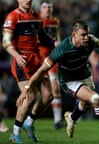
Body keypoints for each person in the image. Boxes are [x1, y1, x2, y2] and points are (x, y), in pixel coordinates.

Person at [19, 20, 99, 144]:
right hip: (70, 81)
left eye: (87, 34)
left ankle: (72, 118)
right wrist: (27, 87)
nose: (86, 38)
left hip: (85, 76)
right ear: (74, 35)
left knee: (86, 103)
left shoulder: (91, 40)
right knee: (96, 100)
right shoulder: (62, 49)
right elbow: (42, 70)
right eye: (82, 35)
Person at [2, 0, 55, 143]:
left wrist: (56, 44)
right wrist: (17, 56)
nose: (27, 0)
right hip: (22, 61)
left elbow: (43, 37)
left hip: (36, 60)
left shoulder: (36, 16)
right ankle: (15, 133)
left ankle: (29, 122)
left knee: (48, 95)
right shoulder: (13, 17)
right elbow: (6, 42)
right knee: (30, 96)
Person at [39, 0, 63, 129]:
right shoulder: (38, 21)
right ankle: (28, 118)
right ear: (41, 9)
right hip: (41, 58)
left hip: (53, 57)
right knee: (39, 91)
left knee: (56, 88)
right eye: (45, 7)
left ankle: (58, 121)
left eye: (50, 7)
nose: (48, 9)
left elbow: (57, 37)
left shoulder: (55, 21)